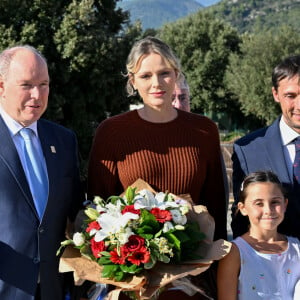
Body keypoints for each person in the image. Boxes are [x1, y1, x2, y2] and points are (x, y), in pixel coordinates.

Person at [88, 36, 227, 299]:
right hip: (129, 281)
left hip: (191, 281)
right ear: (132, 81)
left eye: (164, 73)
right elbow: (96, 209)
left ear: (176, 74)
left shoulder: (204, 131)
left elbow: (216, 207)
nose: (156, 83)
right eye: (145, 75)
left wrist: (212, 276)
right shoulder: (111, 132)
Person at [0, 45, 83, 299]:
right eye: (26, 85)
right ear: (1, 86)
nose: (37, 94)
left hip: (54, 289)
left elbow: (75, 212)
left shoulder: (64, 140)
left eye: (44, 84)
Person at [231, 54, 300, 239]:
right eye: (290, 96)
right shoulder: (247, 149)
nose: (299, 105)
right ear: (275, 94)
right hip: (270, 264)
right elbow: (239, 217)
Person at [218, 171, 300, 299]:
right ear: (243, 208)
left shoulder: (297, 249)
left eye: (275, 202)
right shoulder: (234, 253)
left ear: (285, 204)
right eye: (259, 203)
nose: (268, 210)